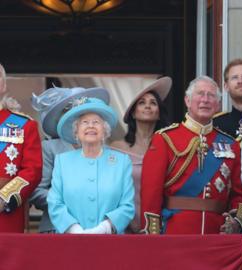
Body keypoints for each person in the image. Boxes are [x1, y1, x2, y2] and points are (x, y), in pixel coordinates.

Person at [140, 75, 242, 234]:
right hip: (175, 231)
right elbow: (151, 191)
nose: (205, 99)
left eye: (211, 95)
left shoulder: (231, 144)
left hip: (217, 233)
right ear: (187, 101)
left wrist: (236, 222)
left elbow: (240, 193)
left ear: (217, 105)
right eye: (200, 94)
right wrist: (152, 233)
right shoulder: (164, 138)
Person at [47, 97, 134, 234]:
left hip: (110, 242)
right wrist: (74, 229)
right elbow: (55, 203)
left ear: (105, 131)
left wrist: (104, 228)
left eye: (96, 122)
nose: (90, 126)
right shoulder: (62, 162)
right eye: (84, 122)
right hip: (69, 242)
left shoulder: (122, 162)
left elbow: (127, 206)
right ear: (76, 131)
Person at [30, 86, 110, 233]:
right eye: (72, 110)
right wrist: (69, 201)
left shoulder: (105, 150)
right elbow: (36, 191)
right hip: (57, 228)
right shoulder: (50, 147)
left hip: (97, 229)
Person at [110, 77, 171, 233]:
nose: (148, 106)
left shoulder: (169, 148)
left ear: (159, 113)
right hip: (123, 225)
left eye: (153, 103)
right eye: (142, 103)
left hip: (160, 225)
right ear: (133, 113)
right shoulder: (116, 148)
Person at [0, 63, 42, 233]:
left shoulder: (23, 125)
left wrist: (4, 197)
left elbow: (33, 170)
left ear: (3, 85)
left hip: (4, 216)